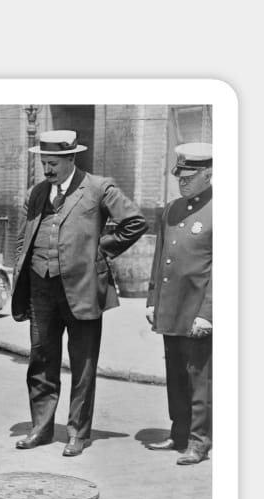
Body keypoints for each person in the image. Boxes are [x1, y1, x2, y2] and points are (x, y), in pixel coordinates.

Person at [12, 130, 147, 456]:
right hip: (41, 287)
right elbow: (25, 236)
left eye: (54, 163)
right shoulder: (39, 191)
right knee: (41, 361)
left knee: (83, 365)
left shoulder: (99, 187)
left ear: (72, 158)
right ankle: (41, 429)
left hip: (83, 288)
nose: (48, 169)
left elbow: (134, 222)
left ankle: (78, 433)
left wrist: (100, 250)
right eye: (44, 162)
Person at [145, 143, 213, 465]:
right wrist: (151, 299)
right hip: (171, 308)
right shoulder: (171, 209)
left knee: (199, 377)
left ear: (208, 175)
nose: (182, 182)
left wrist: (208, 313)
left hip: (197, 309)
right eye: (180, 177)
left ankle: (200, 441)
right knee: (175, 374)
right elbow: (161, 258)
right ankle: (180, 432)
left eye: (189, 177)